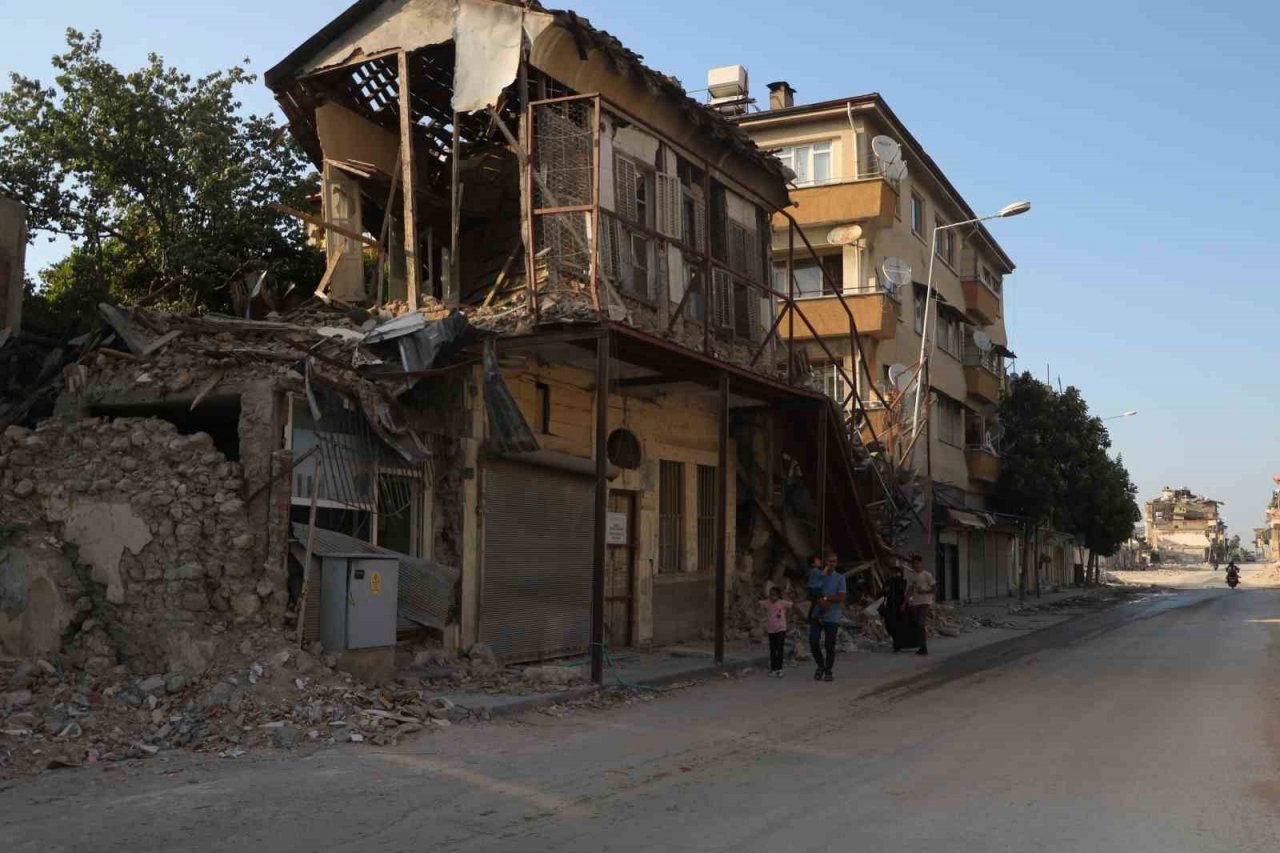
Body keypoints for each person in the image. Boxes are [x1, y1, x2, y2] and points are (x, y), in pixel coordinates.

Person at [808, 550, 847, 681]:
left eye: (834, 561)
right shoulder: (818, 575)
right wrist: (818, 599)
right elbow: (811, 591)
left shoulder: (840, 578)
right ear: (825, 562)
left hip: (832, 615)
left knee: (830, 645)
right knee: (813, 642)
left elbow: (842, 597)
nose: (832, 563)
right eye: (830, 561)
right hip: (817, 613)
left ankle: (828, 670)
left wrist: (825, 598)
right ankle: (821, 665)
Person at [879, 561, 915, 653]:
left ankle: (897, 645)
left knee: (900, 625)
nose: (894, 574)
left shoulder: (902, 581)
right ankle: (897, 643)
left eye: (896, 572)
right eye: (893, 572)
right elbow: (884, 592)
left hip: (901, 605)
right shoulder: (888, 581)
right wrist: (886, 590)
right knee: (890, 625)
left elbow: (905, 592)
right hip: (890, 606)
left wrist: (904, 604)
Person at [758, 586, 793, 677]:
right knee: (773, 650)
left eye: (773, 594)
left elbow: (792, 606)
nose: (771, 596)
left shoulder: (782, 603)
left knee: (780, 649)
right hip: (771, 630)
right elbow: (758, 603)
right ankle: (773, 669)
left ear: (778, 595)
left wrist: (788, 619)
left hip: (781, 629)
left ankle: (779, 669)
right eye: (770, 594)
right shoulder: (767, 602)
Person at [905, 553, 936, 656]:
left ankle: (923, 647)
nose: (916, 565)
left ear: (921, 563)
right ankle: (921, 646)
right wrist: (905, 600)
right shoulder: (912, 575)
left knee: (921, 623)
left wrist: (924, 591)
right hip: (915, 603)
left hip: (925, 602)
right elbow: (910, 589)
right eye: (914, 564)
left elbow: (934, 589)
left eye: (917, 563)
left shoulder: (927, 575)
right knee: (917, 624)